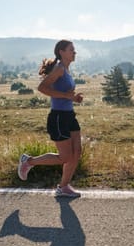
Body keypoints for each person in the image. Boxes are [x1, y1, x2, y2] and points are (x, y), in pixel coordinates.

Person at [17, 39, 84, 198]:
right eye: (71, 50)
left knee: (77, 153)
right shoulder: (59, 69)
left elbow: (63, 94)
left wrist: (73, 98)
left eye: (74, 50)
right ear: (61, 52)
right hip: (58, 117)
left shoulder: (66, 70)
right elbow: (42, 88)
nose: (74, 52)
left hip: (69, 115)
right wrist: (66, 96)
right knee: (65, 157)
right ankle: (28, 161)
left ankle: (63, 187)